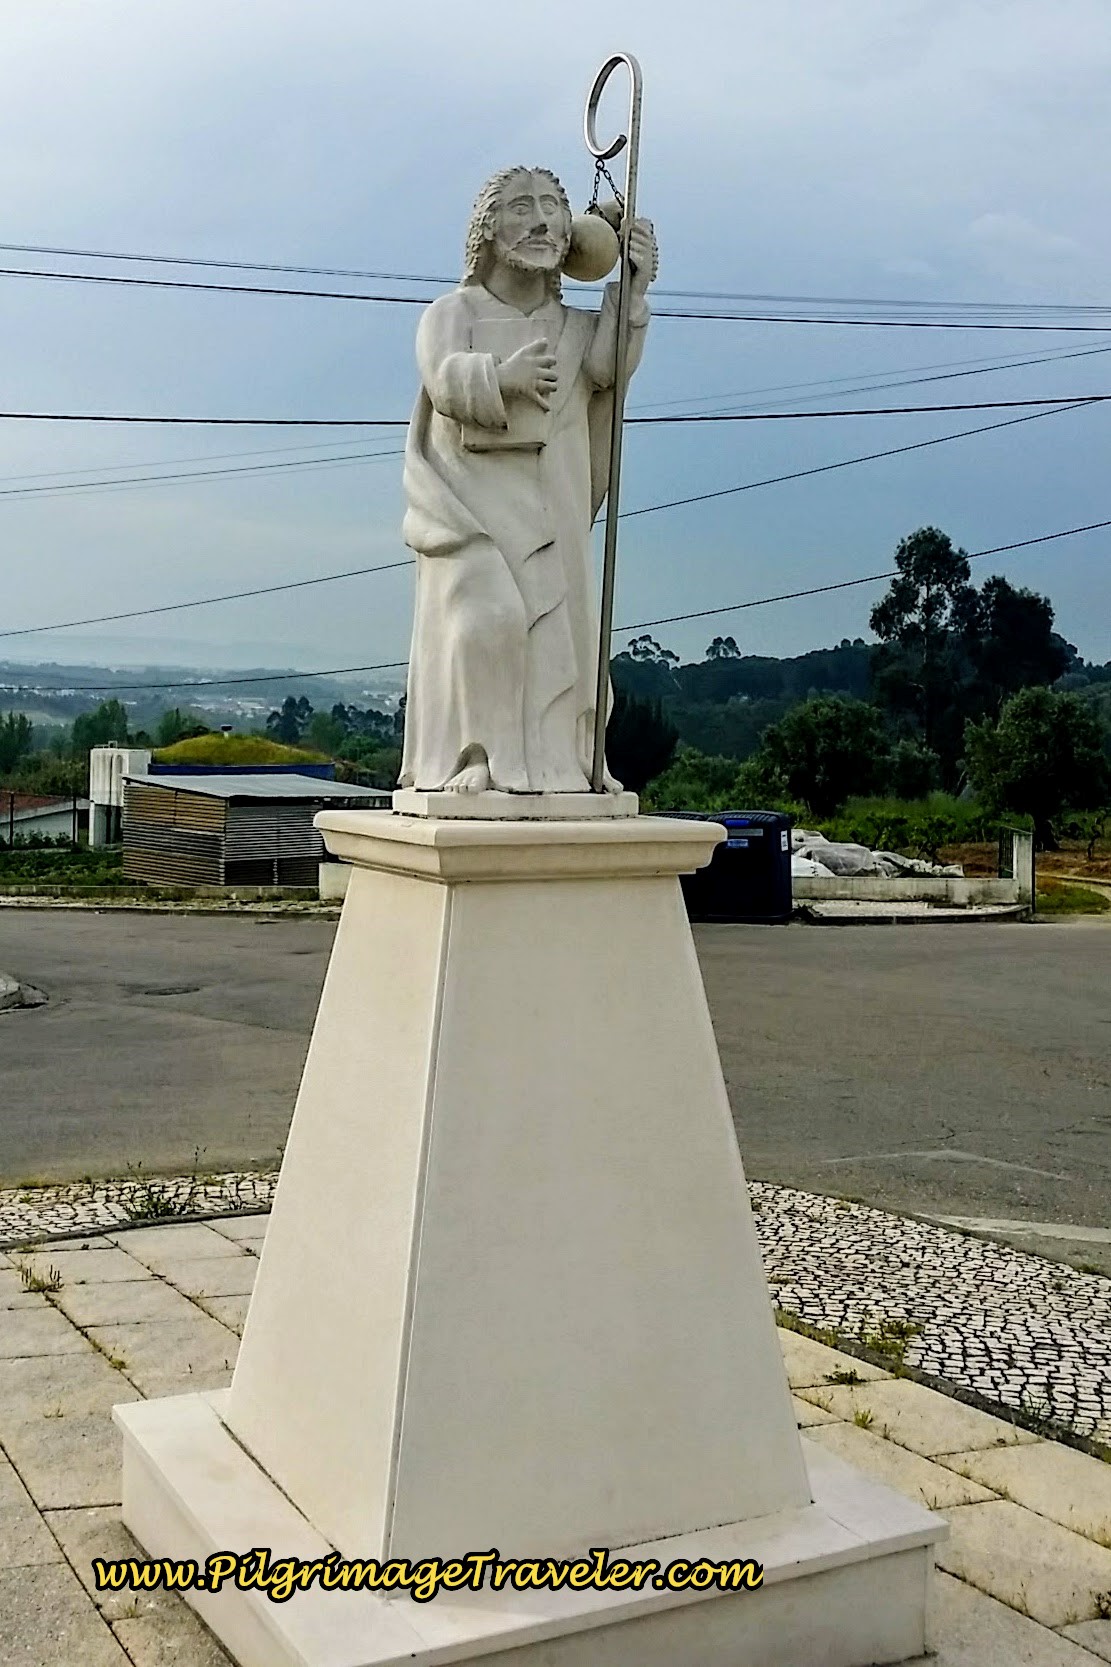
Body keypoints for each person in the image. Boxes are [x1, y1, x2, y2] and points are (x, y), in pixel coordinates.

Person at [398, 165, 657, 795]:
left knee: (562, 634)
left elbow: (608, 370)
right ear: (488, 231)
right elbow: (443, 378)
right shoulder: (451, 312)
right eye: (521, 207)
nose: (541, 219)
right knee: (486, 622)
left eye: (551, 206)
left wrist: (632, 285)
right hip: (470, 512)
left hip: (552, 502)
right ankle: (478, 754)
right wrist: (501, 377)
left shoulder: (573, 328)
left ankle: (565, 762)